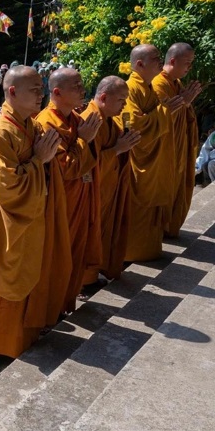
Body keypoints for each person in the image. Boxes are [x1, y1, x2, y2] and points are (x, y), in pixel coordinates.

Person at [0, 66, 69, 372]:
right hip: (2, 220)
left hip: (27, 219)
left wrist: (43, 159)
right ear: (12, 92)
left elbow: (50, 157)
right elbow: (8, 186)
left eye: (41, 88)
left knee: (23, 276)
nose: (41, 94)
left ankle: (17, 336)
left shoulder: (31, 126)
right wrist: (39, 161)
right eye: (35, 89)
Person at [35, 68, 102, 313]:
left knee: (73, 257)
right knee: (55, 259)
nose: (83, 89)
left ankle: (63, 305)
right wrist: (83, 140)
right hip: (58, 206)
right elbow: (64, 169)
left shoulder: (76, 119)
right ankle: (48, 311)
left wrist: (85, 138)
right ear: (57, 92)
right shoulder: (46, 123)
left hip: (78, 201)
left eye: (82, 84)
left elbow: (91, 160)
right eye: (76, 85)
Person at [123, 44, 186, 262]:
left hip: (153, 162)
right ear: (140, 64)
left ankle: (146, 250)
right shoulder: (130, 89)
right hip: (139, 162)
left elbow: (160, 115)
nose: (161, 63)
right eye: (156, 59)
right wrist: (166, 111)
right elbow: (132, 124)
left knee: (150, 212)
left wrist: (166, 110)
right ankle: (131, 253)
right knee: (137, 209)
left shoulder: (148, 88)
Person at [82, 76, 140, 284]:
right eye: (121, 100)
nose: (125, 105)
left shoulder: (109, 120)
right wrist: (118, 149)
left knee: (100, 234)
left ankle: (94, 273)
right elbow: (88, 164)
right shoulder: (91, 119)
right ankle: (85, 281)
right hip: (92, 191)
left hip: (106, 189)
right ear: (104, 97)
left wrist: (125, 142)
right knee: (89, 236)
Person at [153, 43, 203, 239]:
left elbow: (184, 114)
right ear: (172, 61)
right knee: (166, 188)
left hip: (178, 147)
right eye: (187, 63)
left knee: (176, 189)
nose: (189, 67)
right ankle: (160, 228)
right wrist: (184, 102)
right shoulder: (159, 84)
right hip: (165, 149)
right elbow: (157, 121)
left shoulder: (176, 83)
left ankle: (168, 227)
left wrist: (186, 103)